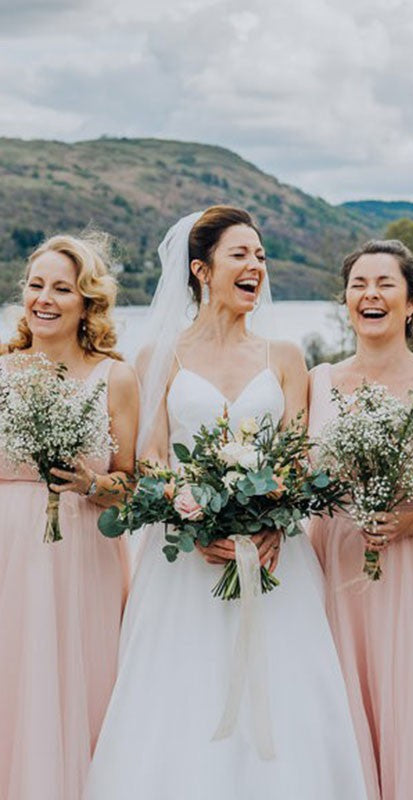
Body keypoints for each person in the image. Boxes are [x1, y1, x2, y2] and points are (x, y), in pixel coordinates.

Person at [85, 207, 368, 799]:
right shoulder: (160, 357)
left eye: (261, 256)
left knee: (285, 692)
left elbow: (297, 458)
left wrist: (273, 524)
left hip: (276, 559)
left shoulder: (286, 356)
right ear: (200, 270)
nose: (256, 267)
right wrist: (192, 512)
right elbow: (153, 459)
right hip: (187, 563)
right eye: (240, 254)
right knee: (183, 695)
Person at [307, 239, 413, 800]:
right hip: (334, 568)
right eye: (359, 285)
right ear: (346, 300)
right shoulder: (319, 384)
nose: (371, 295)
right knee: (337, 716)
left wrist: (408, 523)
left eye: (385, 285)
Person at [0, 234, 136, 800]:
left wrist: (91, 484)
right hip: (7, 548)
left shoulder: (115, 377)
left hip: (84, 552)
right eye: (36, 286)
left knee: (82, 684)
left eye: (62, 288)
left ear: (87, 303)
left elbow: (132, 482)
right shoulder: (1, 370)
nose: (45, 299)